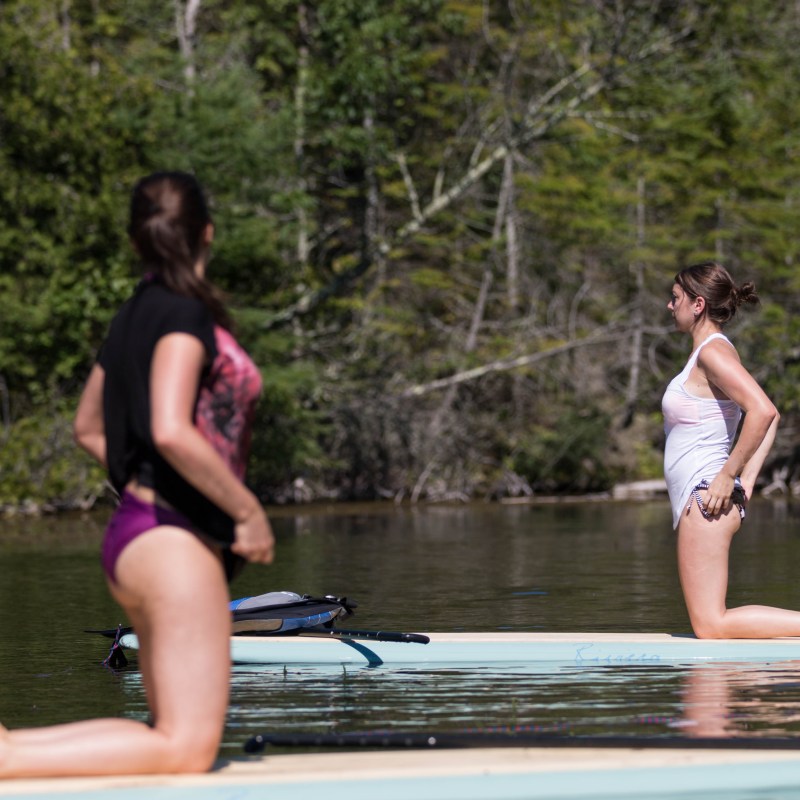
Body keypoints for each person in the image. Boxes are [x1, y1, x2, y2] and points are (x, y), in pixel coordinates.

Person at [0, 171, 275, 777]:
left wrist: (146, 494)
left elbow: (89, 428)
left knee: (170, 738)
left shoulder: (131, 316)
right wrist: (245, 511)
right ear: (207, 232)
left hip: (136, 535)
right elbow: (172, 428)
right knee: (188, 748)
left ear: (136, 242)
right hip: (171, 544)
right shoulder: (183, 316)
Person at [663, 260, 800, 639]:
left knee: (710, 625)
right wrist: (746, 482)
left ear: (698, 304)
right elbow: (768, 415)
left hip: (706, 496)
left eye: (675, 298)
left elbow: (765, 411)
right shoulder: (711, 352)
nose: (669, 306)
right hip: (709, 495)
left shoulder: (713, 353)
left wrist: (729, 477)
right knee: (711, 623)